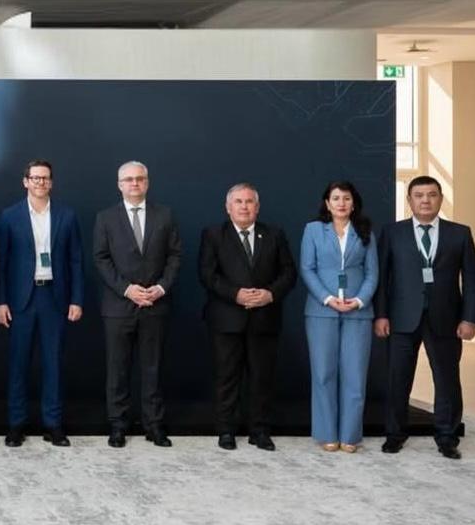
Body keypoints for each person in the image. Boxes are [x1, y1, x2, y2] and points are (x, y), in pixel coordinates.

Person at [376, 175, 475, 459]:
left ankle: (447, 437)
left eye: (432, 195)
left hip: (446, 319)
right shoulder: (392, 233)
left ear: (440, 199)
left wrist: (469, 318)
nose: (425, 200)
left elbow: (472, 280)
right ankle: (395, 435)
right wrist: (381, 315)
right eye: (419, 195)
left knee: (447, 379)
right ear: (409, 200)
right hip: (401, 318)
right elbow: (383, 278)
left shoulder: (460, 233)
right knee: (398, 378)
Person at [198, 182, 295, 452]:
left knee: (262, 378)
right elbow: (207, 274)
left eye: (249, 201)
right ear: (228, 207)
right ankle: (226, 431)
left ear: (257, 207)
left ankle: (259, 431)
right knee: (226, 378)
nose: (244, 206)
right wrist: (236, 294)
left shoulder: (274, 234)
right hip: (226, 319)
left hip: (265, 318)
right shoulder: (213, 234)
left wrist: (269, 294)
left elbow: (289, 272)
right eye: (238, 202)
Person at [92, 161, 181, 448]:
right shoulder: (105, 218)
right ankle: (118, 425)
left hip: (156, 303)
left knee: (153, 368)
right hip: (119, 306)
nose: (134, 183)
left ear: (147, 182)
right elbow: (101, 258)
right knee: (117, 369)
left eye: (139, 179)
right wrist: (127, 289)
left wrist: (161, 287)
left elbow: (175, 256)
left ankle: (154, 425)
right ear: (119, 185)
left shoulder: (165, 215)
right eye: (128, 179)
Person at [0, 160, 84, 448]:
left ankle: (53, 425)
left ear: (51, 182)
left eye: (45, 178)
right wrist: (1, 301)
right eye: (35, 178)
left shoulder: (66, 215)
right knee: (18, 364)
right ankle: (16, 425)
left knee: (53, 364)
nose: (40, 182)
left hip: (54, 298)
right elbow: (1, 263)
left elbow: (76, 261)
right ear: (26, 182)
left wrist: (76, 299)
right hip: (20, 300)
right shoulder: (10, 216)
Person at [299, 181, 378, 453]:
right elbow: (307, 269)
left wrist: (359, 300)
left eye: (346, 198)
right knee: (323, 373)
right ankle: (327, 433)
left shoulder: (365, 232)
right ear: (327, 203)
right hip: (321, 310)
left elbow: (372, 273)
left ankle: (350, 435)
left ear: (353, 203)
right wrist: (327, 298)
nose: (341, 203)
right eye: (336, 198)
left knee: (355, 374)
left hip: (358, 312)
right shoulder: (313, 230)